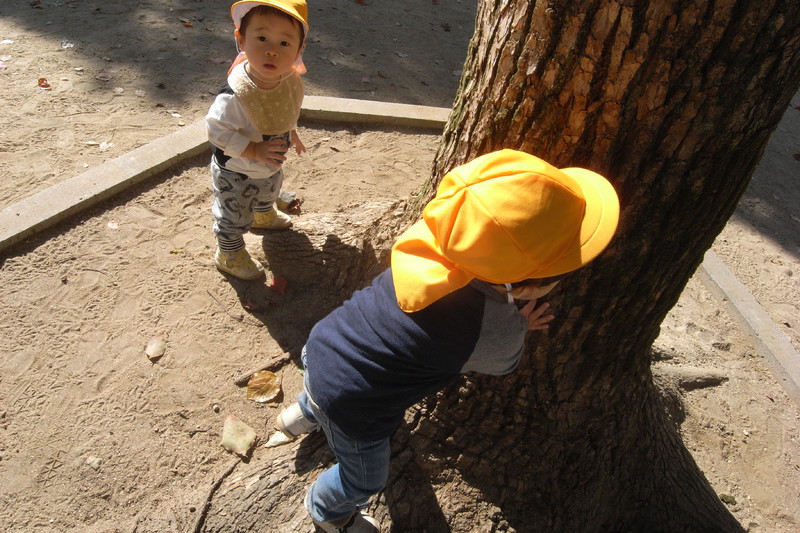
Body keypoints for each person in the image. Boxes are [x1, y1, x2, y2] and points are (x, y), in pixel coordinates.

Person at [273, 149, 621, 532]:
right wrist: (519, 322)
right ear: (531, 285)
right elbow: (503, 362)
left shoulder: (430, 240)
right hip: (356, 407)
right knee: (365, 478)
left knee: (334, 379)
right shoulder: (492, 325)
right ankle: (327, 510)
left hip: (322, 347)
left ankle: (301, 415)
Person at [206, 0, 309, 280]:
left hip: (270, 164)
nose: (272, 50)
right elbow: (216, 131)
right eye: (261, 38)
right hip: (236, 171)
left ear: (299, 50)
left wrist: (292, 132)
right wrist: (252, 149)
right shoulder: (236, 95)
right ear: (240, 39)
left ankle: (264, 214)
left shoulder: (287, 81)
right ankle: (228, 252)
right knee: (234, 215)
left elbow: (288, 110)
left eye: (284, 43)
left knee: (270, 188)